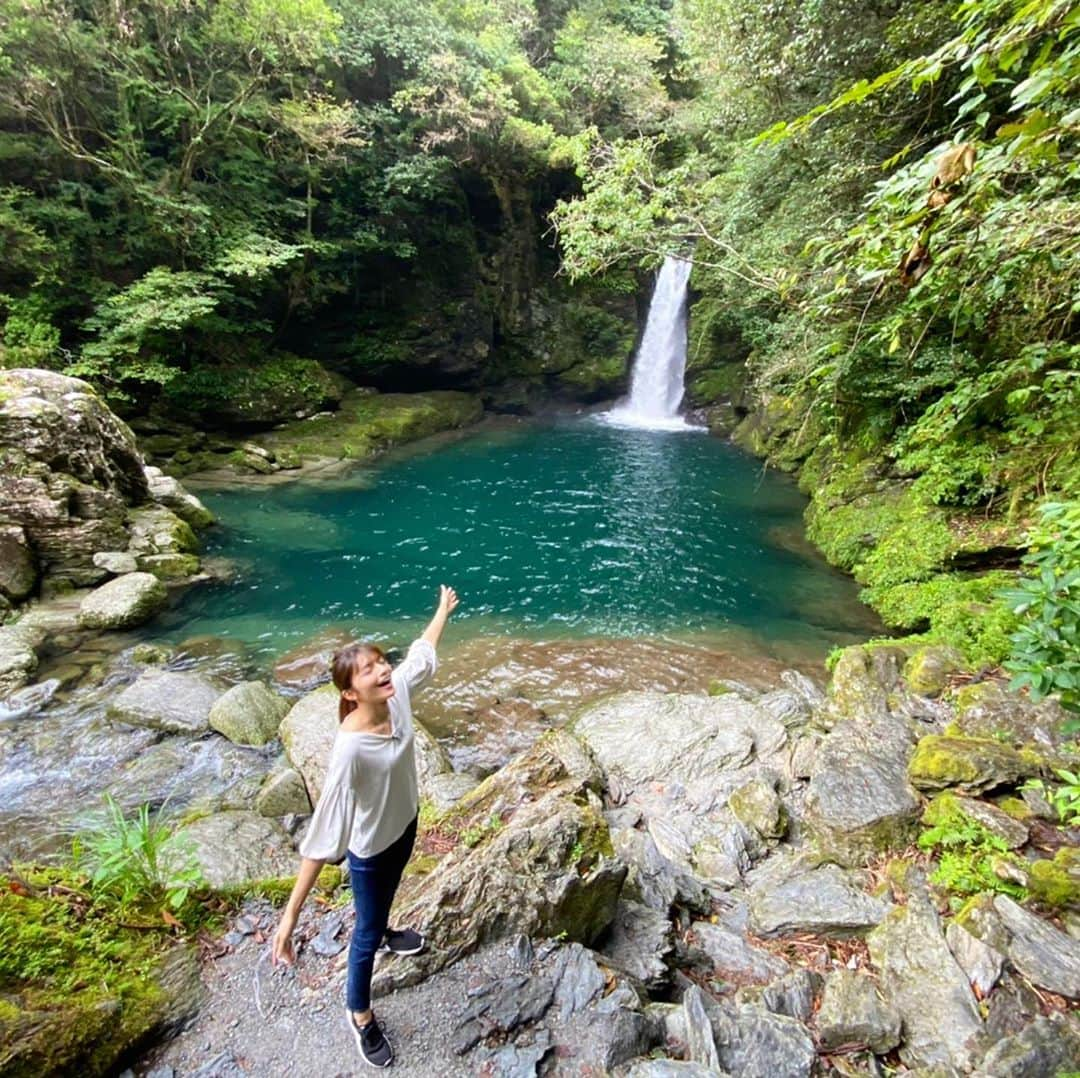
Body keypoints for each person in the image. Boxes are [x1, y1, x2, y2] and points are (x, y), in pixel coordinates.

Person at [271, 585, 459, 1068]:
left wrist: (440, 611)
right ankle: (359, 1013)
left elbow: (423, 654)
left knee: (382, 909)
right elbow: (323, 834)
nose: (383, 671)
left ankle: (386, 930)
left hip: (406, 824)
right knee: (364, 929)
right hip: (371, 850)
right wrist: (290, 918)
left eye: (381, 662)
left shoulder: (396, 696)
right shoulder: (350, 750)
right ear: (350, 693)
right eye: (370, 670)